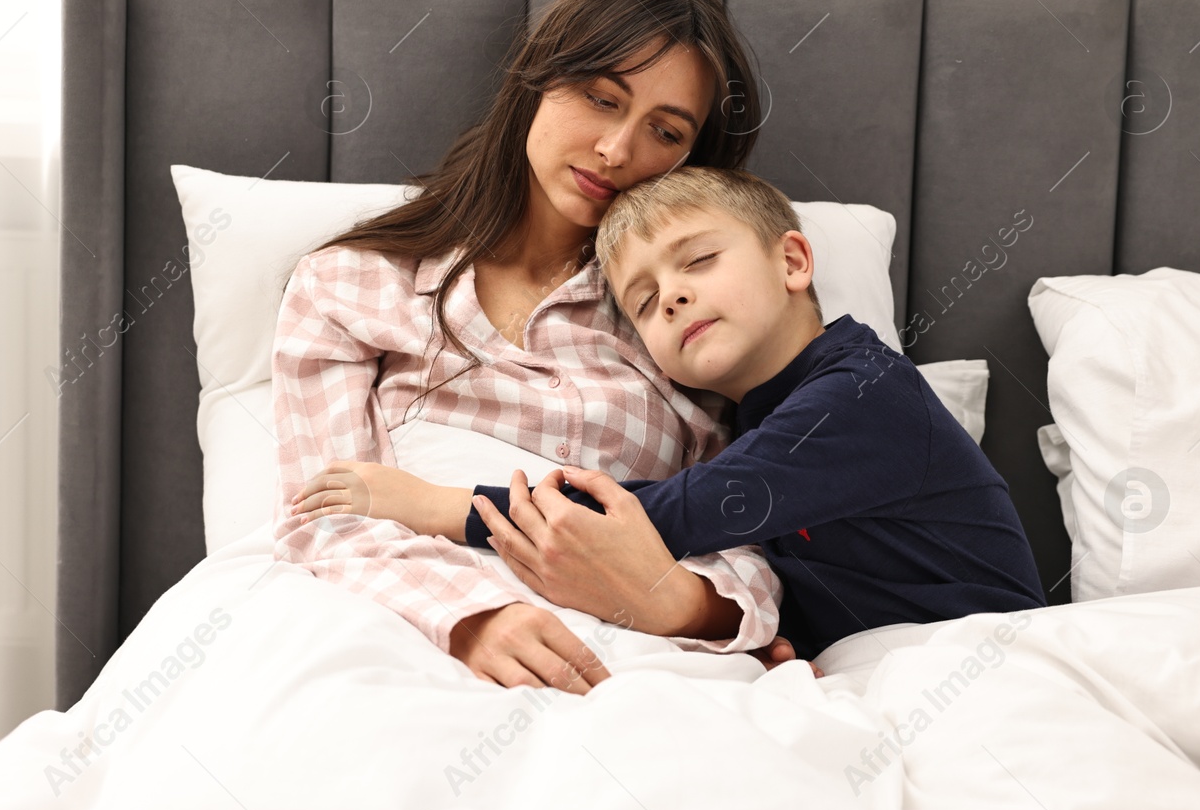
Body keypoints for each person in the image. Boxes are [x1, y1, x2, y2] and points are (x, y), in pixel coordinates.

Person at [269, 0, 793, 697]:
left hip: (628, 654)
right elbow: (322, 516)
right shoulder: (348, 285)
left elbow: (752, 541)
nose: (618, 151)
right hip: (400, 631)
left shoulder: (685, 322)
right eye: (601, 99)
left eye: (666, 131)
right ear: (539, 77)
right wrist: (477, 615)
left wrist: (680, 604)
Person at [292, 166, 1048, 660]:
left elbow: (663, 515)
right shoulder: (754, 425)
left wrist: (435, 504)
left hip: (990, 655)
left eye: (698, 261)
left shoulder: (861, 394)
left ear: (792, 261)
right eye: (645, 302)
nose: (674, 295)